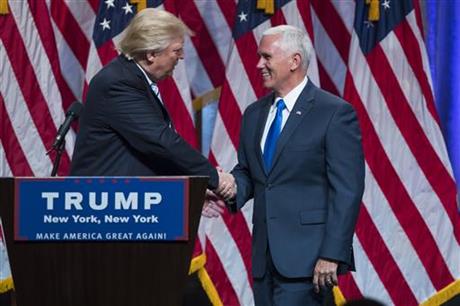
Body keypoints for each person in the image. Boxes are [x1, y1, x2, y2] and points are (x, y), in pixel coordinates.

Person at [205, 25, 365, 306]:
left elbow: (348, 190)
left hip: (310, 261)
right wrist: (225, 185)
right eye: (259, 56)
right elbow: (251, 173)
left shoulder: (334, 112)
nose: (258, 64)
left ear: (294, 61)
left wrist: (332, 253)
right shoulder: (255, 113)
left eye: (266, 57)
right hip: (265, 260)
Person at [70, 8, 234, 194]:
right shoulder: (118, 83)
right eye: (177, 50)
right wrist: (212, 177)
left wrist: (193, 186)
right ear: (151, 53)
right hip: (104, 204)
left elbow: (148, 152)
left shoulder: (134, 78)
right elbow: (160, 141)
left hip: (125, 201)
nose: (181, 56)